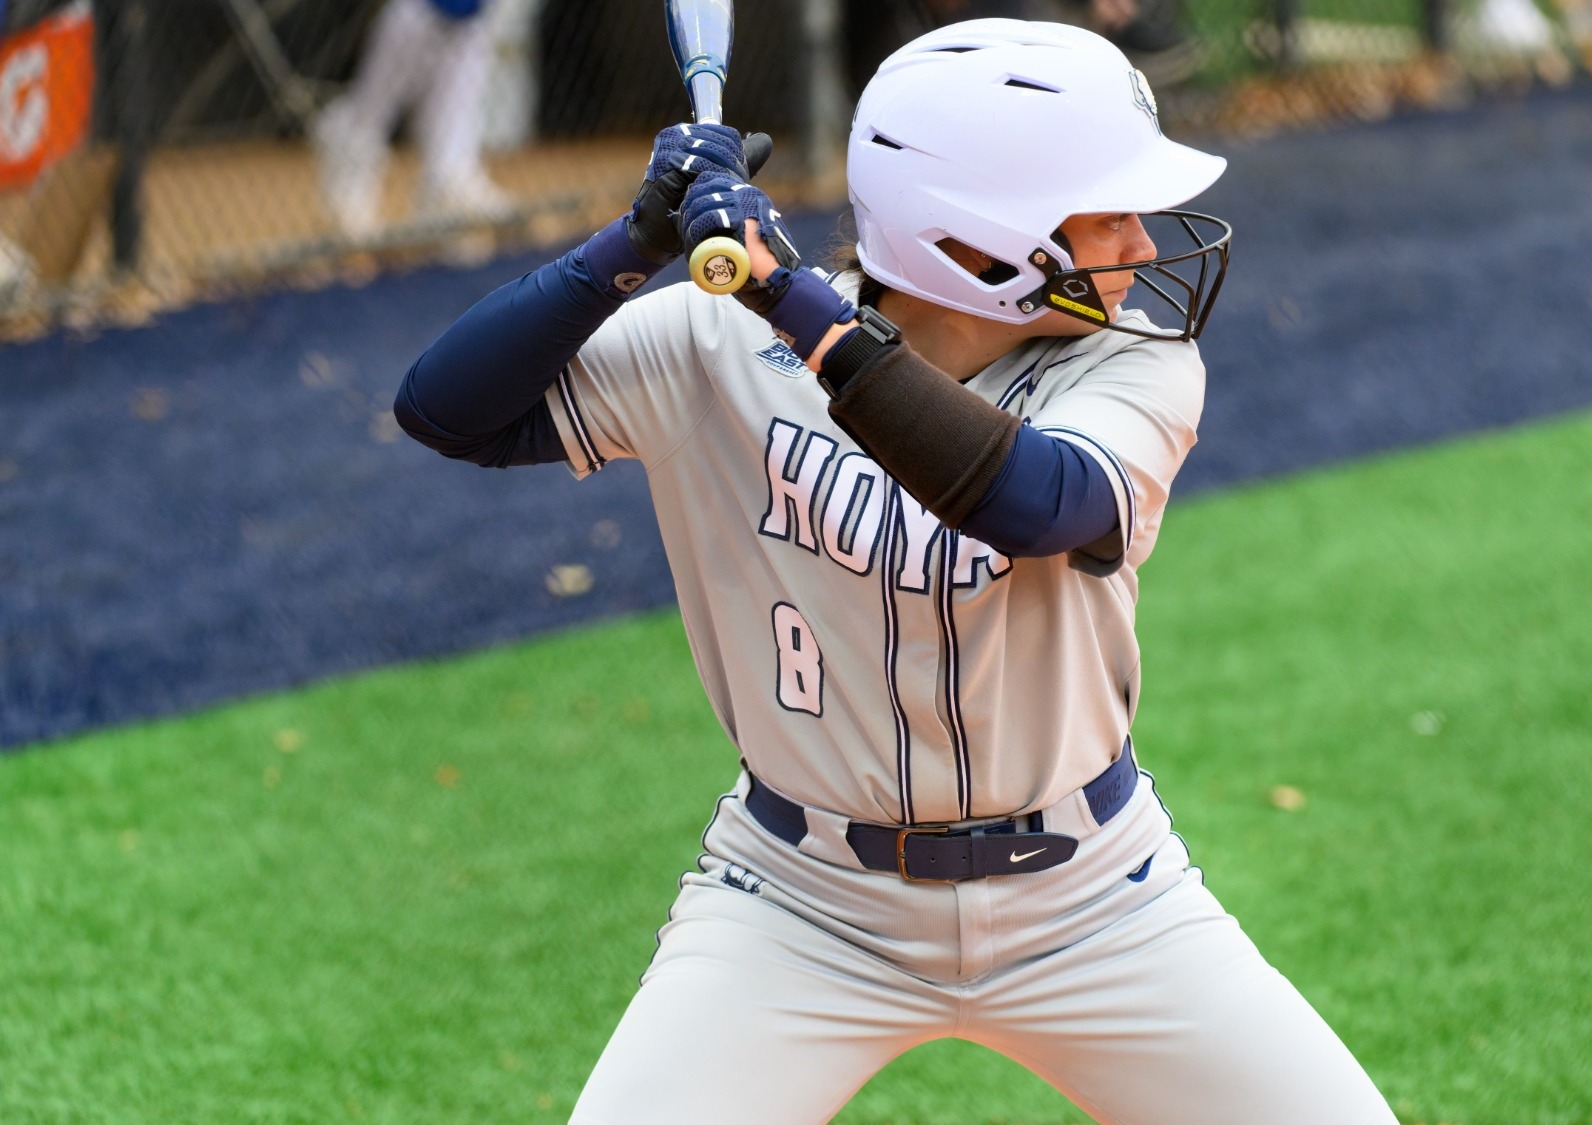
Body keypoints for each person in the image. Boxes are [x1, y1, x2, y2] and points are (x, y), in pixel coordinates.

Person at [396, 19, 1398, 1124]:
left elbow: (1035, 502)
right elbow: (447, 412)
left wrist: (794, 302)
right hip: (797, 907)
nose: (1143, 246)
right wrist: (632, 240)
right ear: (979, 240)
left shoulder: (1134, 361)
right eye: (1107, 213)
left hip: (1092, 901)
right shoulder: (714, 344)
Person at [310, 0, 506, 238]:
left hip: (470, 28)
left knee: (454, 134)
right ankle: (346, 195)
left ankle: (446, 199)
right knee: (371, 113)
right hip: (417, 16)